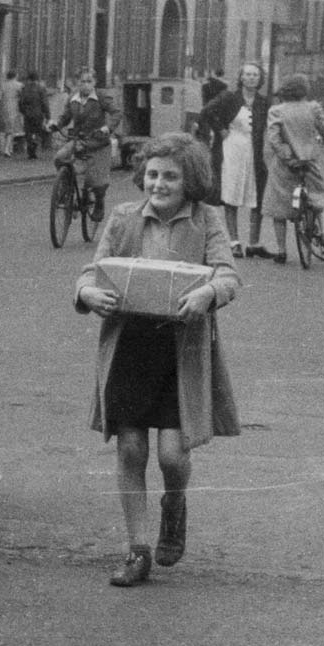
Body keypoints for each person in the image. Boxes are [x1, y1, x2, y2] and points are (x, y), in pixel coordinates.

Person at [75, 132, 240, 588]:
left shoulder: (207, 220)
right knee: (130, 448)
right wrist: (88, 292)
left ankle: (175, 501)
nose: (159, 184)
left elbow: (227, 273)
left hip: (179, 350)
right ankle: (136, 548)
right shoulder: (124, 218)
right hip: (130, 344)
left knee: (172, 453)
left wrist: (209, 292)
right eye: (152, 174)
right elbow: (94, 268)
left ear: (191, 181)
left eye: (171, 176)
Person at [197, 61, 270, 258]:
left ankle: (254, 243)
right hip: (232, 150)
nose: (251, 78)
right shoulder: (229, 97)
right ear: (241, 78)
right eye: (247, 74)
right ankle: (234, 242)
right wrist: (220, 129)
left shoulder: (264, 102)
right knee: (232, 194)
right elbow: (206, 112)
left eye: (255, 74)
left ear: (260, 78)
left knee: (257, 196)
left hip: (254, 153)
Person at [263, 73, 324, 264]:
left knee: (278, 206)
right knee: (319, 199)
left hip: (285, 165)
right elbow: (323, 129)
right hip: (309, 162)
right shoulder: (313, 108)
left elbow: (274, 139)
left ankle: (281, 251)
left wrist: (287, 155)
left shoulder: (276, 111)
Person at [50, 67, 121, 223]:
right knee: (59, 158)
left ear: (94, 82)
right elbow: (65, 117)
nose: (86, 85)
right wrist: (57, 124)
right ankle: (66, 191)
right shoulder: (72, 98)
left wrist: (107, 127)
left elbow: (116, 113)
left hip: (98, 143)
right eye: (82, 81)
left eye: (89, 81)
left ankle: (99, 204)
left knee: (96, 181)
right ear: (77, 83)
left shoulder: (101, 97)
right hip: (78, 140)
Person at [18, 71, 50, 159]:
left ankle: (30, 149)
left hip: (27, 114)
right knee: (38, 131)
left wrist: (23, 111)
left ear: (29, 79)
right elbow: (45, 103)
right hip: (38, 114)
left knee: (28, 132)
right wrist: (48, 115)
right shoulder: (41, 89)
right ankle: (35, 145)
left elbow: (21, 102)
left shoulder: (25, 88)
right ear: (37, 79)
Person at [0, 70, 23, 156]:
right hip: (13, 108)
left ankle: (6, 148)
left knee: (4, 129)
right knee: (11, 130)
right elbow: (22, 97)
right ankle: (6, 150)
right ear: (15, 76)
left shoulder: (3, 85)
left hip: (3, 108)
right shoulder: (19, 85)